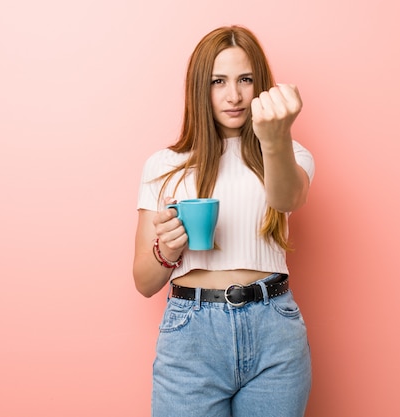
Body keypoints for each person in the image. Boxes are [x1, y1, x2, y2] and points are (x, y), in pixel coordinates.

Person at [133, 25, 315, 417]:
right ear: (201, 87)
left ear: (261, 86)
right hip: (190, 337)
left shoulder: (288, 152)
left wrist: (274, 137)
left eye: (245, 79)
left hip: (274, 331)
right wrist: (166, 250)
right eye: (219, 81)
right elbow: (144, 282)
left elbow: (286, 198)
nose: (234, 95)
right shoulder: (164, 166)